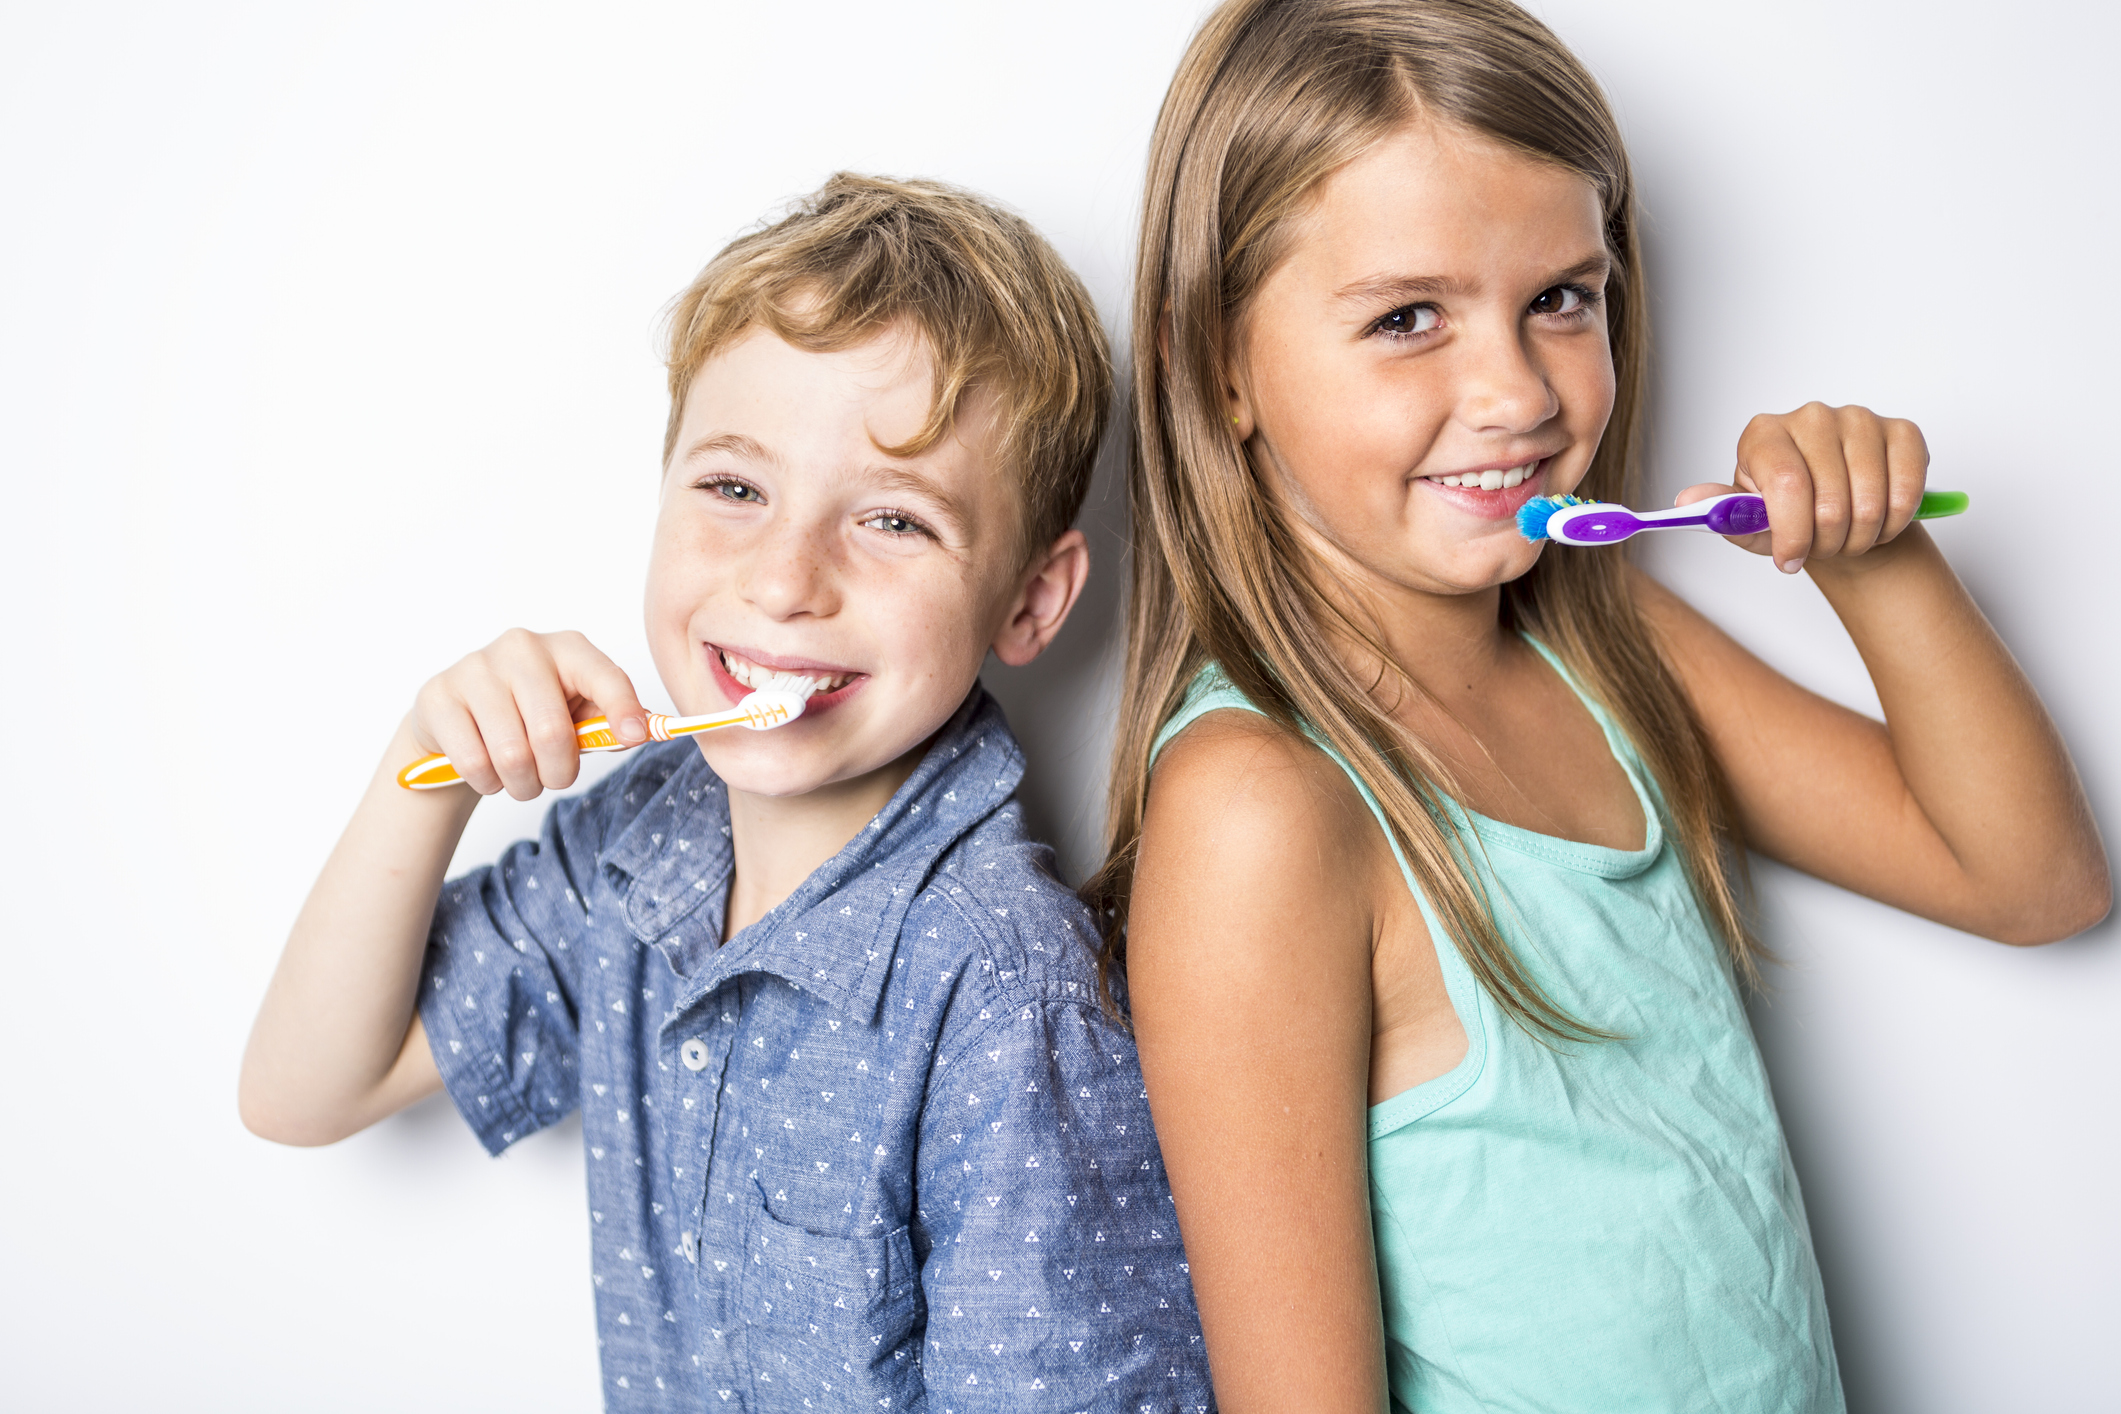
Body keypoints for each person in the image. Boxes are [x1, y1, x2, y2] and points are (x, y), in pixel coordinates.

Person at [1083, 2, 2111, 1410]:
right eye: (1405, 318)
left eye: (1561, 297)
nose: (1513, 390)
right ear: (1218, 366)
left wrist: (1874, 562)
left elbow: (2032, 878)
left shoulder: (1605, 638)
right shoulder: (1261, 806)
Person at [240, 173, 1210, 1412]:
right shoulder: (635, 845)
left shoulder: (1007, 999)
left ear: (1030, 599)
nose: (784, 579)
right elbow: (305, 1088)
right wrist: (427, 769)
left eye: (895, 521)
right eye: (736, 489)